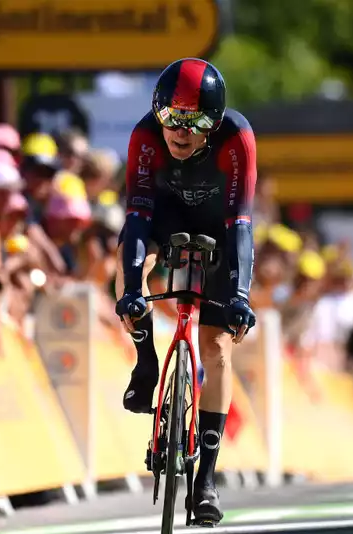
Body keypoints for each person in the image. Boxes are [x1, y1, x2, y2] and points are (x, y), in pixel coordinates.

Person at [114, 58, 257, 524]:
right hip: (163, 216)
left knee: (215, 348)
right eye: (171, 117)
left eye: (194, 121)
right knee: (132, 261)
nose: (179, 131)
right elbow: (137, 219)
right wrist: (133, 291)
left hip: (220, 223)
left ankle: (207, 478)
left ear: (213, 123)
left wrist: (240, 297)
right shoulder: (145, 135)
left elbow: (240, 225)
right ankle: (145, 358)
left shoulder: (236, 138)